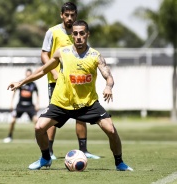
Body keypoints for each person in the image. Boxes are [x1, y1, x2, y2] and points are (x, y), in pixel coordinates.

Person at [8, 20, 133, 171]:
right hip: (62, 102)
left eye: (82, 33)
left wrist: (108, 86)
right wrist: (21, 82)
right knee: (39, 128)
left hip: (88, 104)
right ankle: (45, 158)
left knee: (111, 130)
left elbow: (109, 76)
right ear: (72, 35)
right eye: (75, 33)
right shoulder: (62, 52)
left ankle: (119, 163)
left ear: (87, 34)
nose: (78, 36)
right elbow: (43, 70)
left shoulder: (95, 56)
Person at [41, 2, 100, 160]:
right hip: (57, 82)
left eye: (72, 15)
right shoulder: (52, 32)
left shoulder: (79, 32)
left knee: (82, 114)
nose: (69, 18)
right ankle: (50, 151)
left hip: (76, 82)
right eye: (66, 15)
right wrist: (53, 72)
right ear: (61, 15)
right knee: (52, 117)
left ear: (76, 15)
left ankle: (84, 150)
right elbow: (44, 55)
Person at [3, 68, 40, 143]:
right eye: (27, 75)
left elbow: (37, 95)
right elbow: (14, 92)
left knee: (36, 120)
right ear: (25, 75)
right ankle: (9, 136)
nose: (28, 76)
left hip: (30, 106)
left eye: (30, 75)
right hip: (20, 106)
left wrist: (37, 104)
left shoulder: (33, 84)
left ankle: (37, 137)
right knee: (13, 120)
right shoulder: (21, 82)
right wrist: (11, 103)